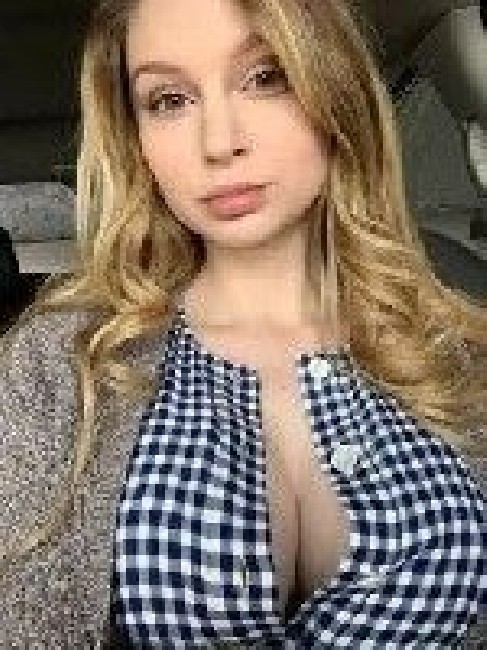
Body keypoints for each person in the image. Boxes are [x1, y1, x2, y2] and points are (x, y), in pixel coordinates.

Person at [1, 0, 485, 647]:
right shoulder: (60, 362)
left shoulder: (459, 352)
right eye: (170, 100)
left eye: (265, 76)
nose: (219, 141)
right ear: (136, 139)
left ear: (334, 88)